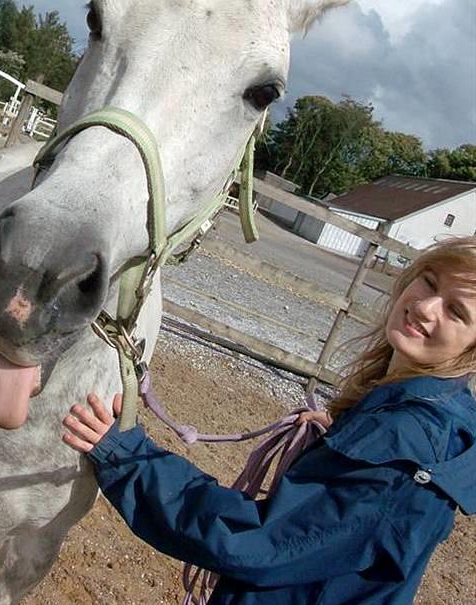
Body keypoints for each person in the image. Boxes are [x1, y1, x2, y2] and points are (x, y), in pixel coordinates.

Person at [62, 237, 476, 604]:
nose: (424, 307)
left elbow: (253, 542)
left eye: (456, 311)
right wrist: (343, 445)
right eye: (430, 281)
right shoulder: (442, 415)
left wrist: (129, 457)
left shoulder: (406, 447)